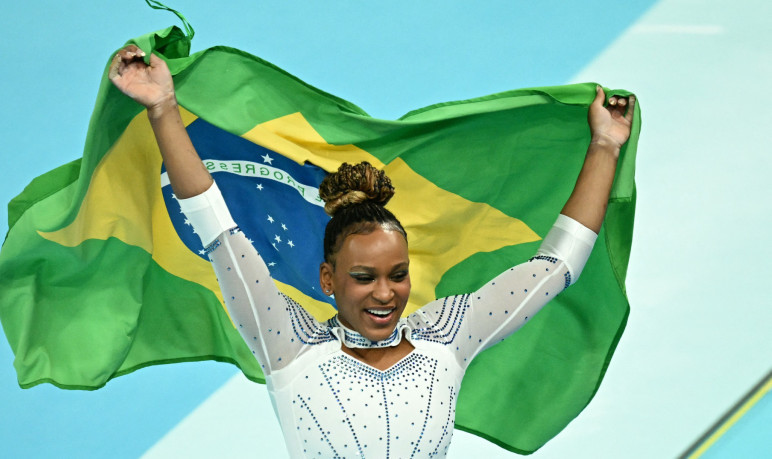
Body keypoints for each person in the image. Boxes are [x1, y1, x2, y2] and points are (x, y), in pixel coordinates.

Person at [109, 44, 635, 458]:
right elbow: (218, 231)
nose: (386, 293)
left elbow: (557, 265)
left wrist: (605, 145)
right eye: (364, 277)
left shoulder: (448, 339)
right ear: (328, 279)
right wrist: (164, 108)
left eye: (397, 274)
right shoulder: (287, 345)